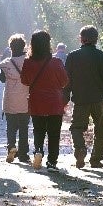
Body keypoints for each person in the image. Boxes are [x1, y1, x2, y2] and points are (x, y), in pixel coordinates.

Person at [64, 25, 103, 169]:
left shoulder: (73, 56)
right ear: (96, 39)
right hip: (100, 101)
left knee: (76, 128)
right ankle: (96, 159)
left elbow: (66, 81)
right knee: (100, 130)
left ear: (81, 39)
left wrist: (64, 100)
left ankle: (80, 149)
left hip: (81, 100)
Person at [20, 30, 69, 172]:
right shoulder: (56, 62)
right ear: (48, 44)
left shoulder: (28, 62)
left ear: (32, 44)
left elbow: (24, 81)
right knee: (54, 133)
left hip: (36, 101)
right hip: (54, 102)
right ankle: (52, 162)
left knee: (38, 129)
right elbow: (65, 81)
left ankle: (38, 151)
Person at [0, 34, 31, 164]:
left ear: (10, 47)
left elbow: (2, 79)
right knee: (24, 127)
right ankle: (23, 154)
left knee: (11, 126)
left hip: (10, 99)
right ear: (24, 46)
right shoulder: (29, 62)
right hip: (25, 99)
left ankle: (11, 147)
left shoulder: (6, 64)